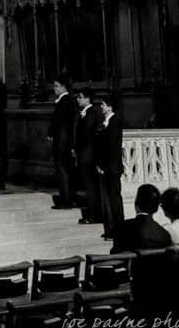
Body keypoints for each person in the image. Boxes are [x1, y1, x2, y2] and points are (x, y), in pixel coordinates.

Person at [92, 94, 124, 238]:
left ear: (110, 107)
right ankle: (112, 230)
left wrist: (104, 166)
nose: (101, 106)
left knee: (114, 200)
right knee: (109, 201)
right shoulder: (106, 121)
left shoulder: (115, 121)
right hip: (107, 167)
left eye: (103, 104)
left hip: (111, 168)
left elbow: (113, 148)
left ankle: (118, 230)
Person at [112, 183, 173, 252]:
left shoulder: (122, 228)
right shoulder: (164, 234)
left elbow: (115, 254)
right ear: (156, 209)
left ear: (136, 205)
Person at [47, 74, 78, 209]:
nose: (54, 89)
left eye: (56, 86)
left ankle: (66, 199)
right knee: (66, 169)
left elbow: (57, 121)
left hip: (61, 141)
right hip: (66, 141)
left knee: (62, 169)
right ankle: (69, 197)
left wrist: (50, 133)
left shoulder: (64, 101)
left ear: (63, 87)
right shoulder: (70, 101)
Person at [74, 85, 100, 223]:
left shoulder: (90, 113)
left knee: (90, 185)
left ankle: (93, 215)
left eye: (80, 97)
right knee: (89, 185)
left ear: (88, 99)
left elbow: (85, 135)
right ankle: (92, 213)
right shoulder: (87, 113)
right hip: (86, 154)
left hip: (87, 155)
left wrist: (77, 148)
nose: (78, 99)